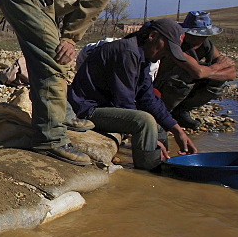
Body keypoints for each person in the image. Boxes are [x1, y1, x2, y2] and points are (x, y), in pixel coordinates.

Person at [0, 0, 190, 166]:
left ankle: (61, 114)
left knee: (49, 60)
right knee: (53, 62)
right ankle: (50, 141)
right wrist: (71, 36)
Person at [68, 18, 200, 171]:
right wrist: (151, 143)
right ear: (152, 36)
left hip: (105, 106)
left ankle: (164, 166)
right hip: (87, 110)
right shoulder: (127, 53)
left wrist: (177, 130)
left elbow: (148, 97)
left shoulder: (140, 55)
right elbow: (125, 103)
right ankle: (150, 174)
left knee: (160, 129)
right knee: (145, 122)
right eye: (166, 48)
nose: (166, 55)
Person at [154, 10, 236, 129]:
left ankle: (182, 111)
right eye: (193, 35)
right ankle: (163, 113)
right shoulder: (175, 44)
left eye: (201, 36)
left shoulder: (206, 45)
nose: (196, 39)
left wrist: (207, 72)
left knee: (218, 80)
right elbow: (197, 72)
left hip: (183, 87)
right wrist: (216, 68)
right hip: (160, 87)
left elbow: (232, 73)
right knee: (185, 74)